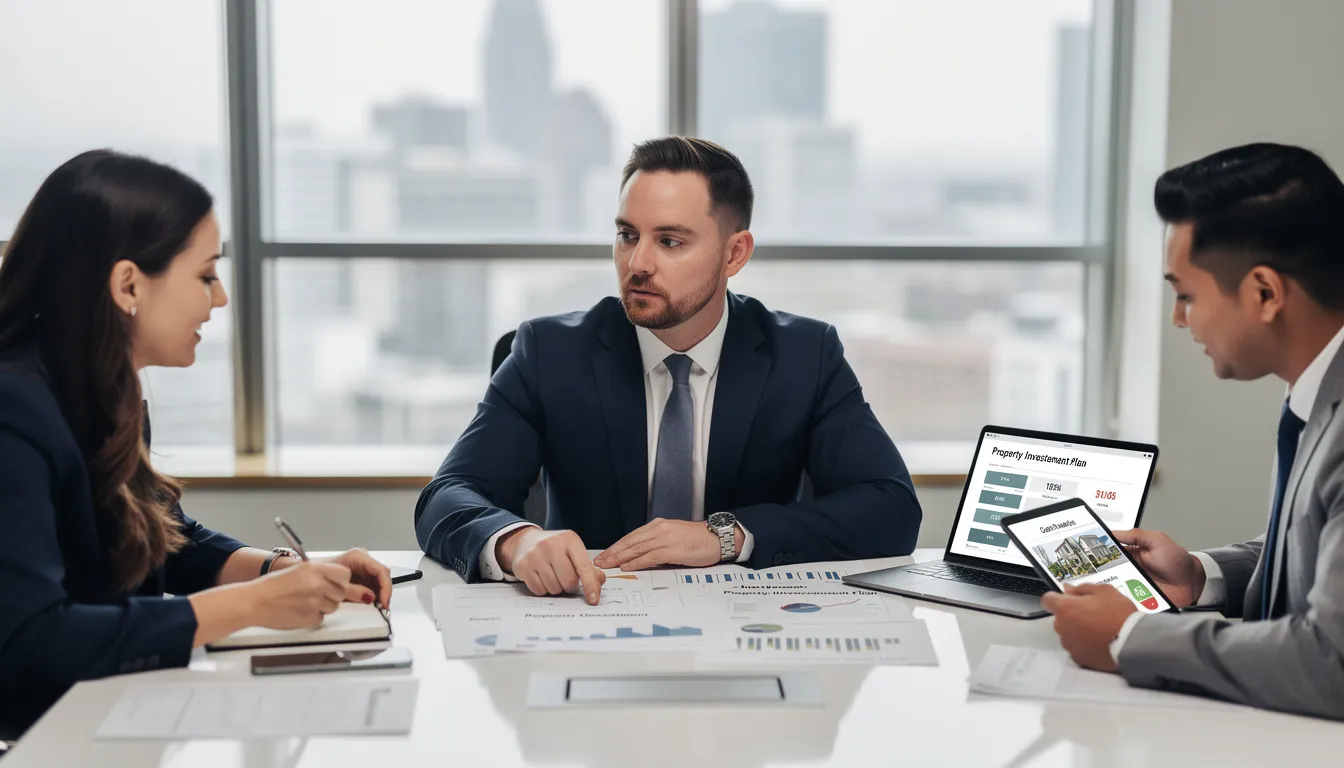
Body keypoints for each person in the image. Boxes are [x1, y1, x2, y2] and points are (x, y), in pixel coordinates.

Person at [415, 136, 922, 603]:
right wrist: (515, 542)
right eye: (627, 234)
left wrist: (726, 536)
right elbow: (447, 496)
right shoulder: (549, 352)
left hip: (746, 633)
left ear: (734, 253)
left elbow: (891, 508)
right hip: (589, 620)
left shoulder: (803, 355)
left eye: (670, 241)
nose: (637, 263)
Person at [0, 150, 393, 737]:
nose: (221, 298)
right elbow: (31, 642)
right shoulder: (14, 409)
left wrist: (280, 570)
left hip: (104, 720)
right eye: (206, 274)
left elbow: (159, 540)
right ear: (129, 284)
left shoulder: (105, 388)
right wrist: (255, 606)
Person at [1043, 142, 1344, 719]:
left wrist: (1128, 637)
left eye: (1185, 295)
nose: (1180, 319)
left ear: (1264, 293)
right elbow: (1317, 546)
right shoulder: (1319, 388)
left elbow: (1331, 661)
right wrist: (1201, 575)